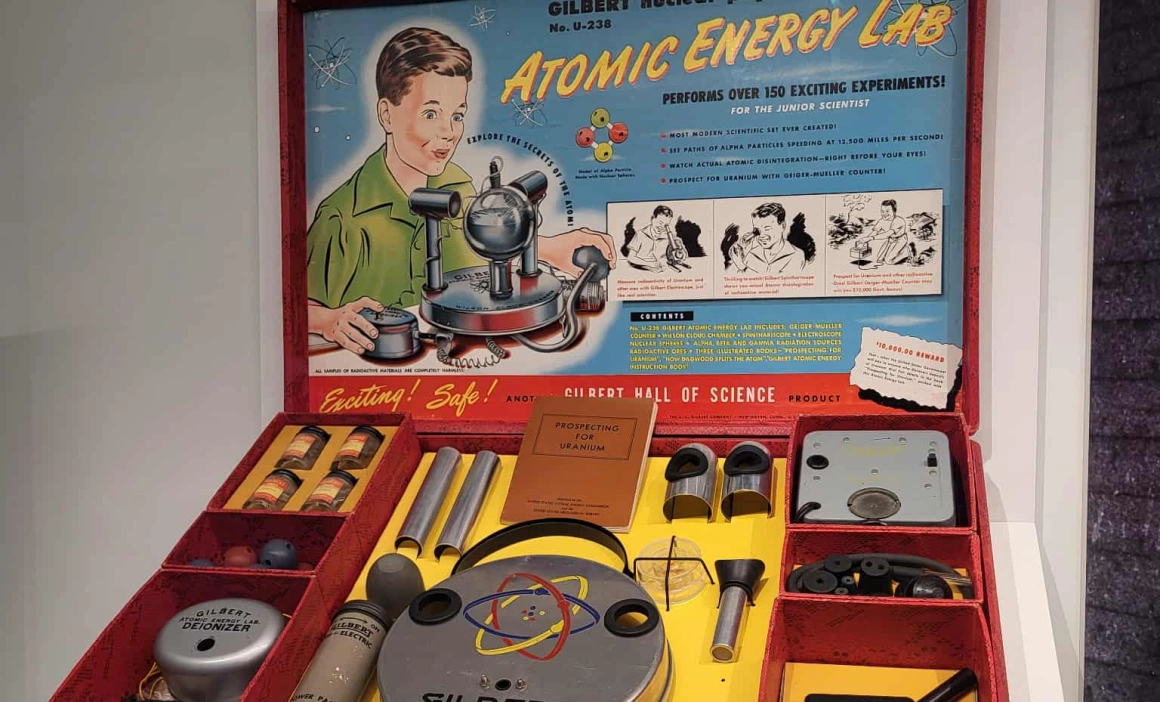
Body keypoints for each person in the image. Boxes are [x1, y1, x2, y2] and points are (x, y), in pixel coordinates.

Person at [306, 27, 615, 355]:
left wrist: (549, 248)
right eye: (430, 114)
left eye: (457, 116)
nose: (449, 132)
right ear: (386, 115)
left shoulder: (456, 184)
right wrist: (328, 320)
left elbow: (481, 244)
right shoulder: (342, 217)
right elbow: (296, 307)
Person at [726, 202, 809, 274]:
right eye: (757, 230)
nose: (761, 235)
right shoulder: (750, 254)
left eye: (767, 228)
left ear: (782, 226)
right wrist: (741, 265)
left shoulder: (796, 255)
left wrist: (745, 266)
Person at [856, 199, 912, 268]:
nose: (884, 213)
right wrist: (865, 239)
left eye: (887, 211)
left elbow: (887, 234)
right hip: (890, 240)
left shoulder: (899, 221)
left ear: (894, 211)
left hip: (900, 240)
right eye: (882, 211)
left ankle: (906, 251)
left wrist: (871, 238)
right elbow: (874, 232)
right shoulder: (881, 221)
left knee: (888, 261)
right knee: (879, 259)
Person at [624, 206, 677, 273]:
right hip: (640, 271)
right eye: (660, 222)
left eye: (666, 225)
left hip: (663, 272)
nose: (662, 227)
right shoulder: (640, 234)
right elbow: (630, 258)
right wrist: (650, 265)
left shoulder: (669, 237)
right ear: (652, 218)